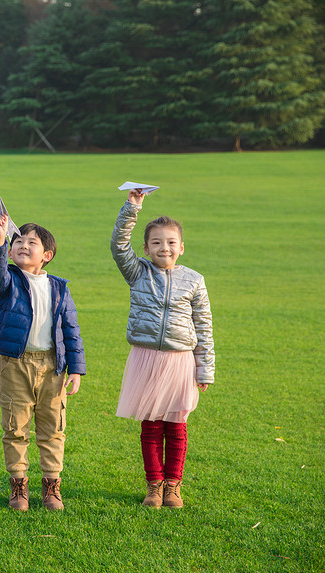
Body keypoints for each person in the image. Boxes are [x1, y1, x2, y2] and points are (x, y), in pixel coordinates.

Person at [111, 189, 214, 509]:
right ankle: (154, 486)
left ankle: (173, 485)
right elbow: (118, 245)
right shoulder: (138, 272)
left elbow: (204, 327)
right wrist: (132, 207)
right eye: (156, 242)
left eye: (170, 242)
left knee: (177, 426)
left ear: (181, 248)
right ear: (146, 248)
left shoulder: (194, 281)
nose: (163, 247)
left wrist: (205, 368)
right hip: (145, 360)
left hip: (180, 362)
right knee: (152, 425)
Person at [0, 215, 85, 511]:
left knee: (53, 426)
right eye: (18, 242)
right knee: (16, 425)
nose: (23, 245)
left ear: (47, 255)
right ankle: (19, 484)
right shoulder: (9, 282)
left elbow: (71, 330)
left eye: (32, 242)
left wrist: (76, 369)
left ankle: (51, 485)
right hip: (16, 364)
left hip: (53, 366)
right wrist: (0, 240)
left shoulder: (59, 288)